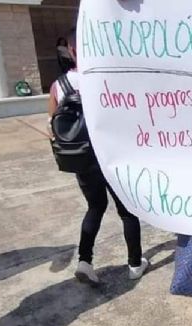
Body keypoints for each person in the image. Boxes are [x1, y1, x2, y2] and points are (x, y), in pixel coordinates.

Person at [47, 28, 148, 285]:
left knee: (95, 207)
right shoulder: (108, 79)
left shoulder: (58, 86)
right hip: (113, 156)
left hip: (82, 159)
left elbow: (53, 127)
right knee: (127, 211)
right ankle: (135, 263)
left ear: (70, 51)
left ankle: (85, 260)